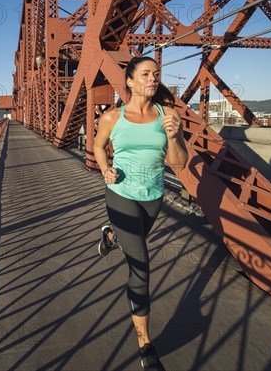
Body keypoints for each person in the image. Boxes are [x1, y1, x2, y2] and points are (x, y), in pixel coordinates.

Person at [93, 56, 188, 371]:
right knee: (141, 266)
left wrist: (174, 136)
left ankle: (110, 234)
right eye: (145, 74)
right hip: (120, 194)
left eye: (155, 74)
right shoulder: (112, 117)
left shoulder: (168, 115)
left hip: (153, 197)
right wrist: (106, 169)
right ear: (130, 81)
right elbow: (97, 146)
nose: (153, 78)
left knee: (130, 243)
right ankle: (146, 345)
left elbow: (179, 163)